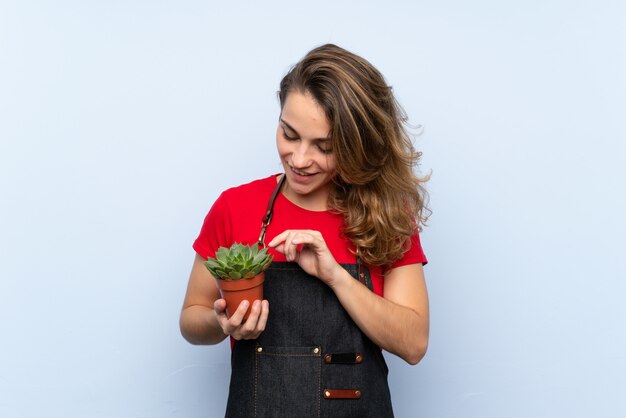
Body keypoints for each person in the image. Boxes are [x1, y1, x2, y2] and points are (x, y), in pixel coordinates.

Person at [180, 43, 430, 417]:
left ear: (356, 144)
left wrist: (336, 277)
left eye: (324, 147)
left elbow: (413, 344)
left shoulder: (386, 215)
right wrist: (222, 324)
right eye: (289, 134)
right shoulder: (235, 207)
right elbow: (191, 318)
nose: (299, 160)